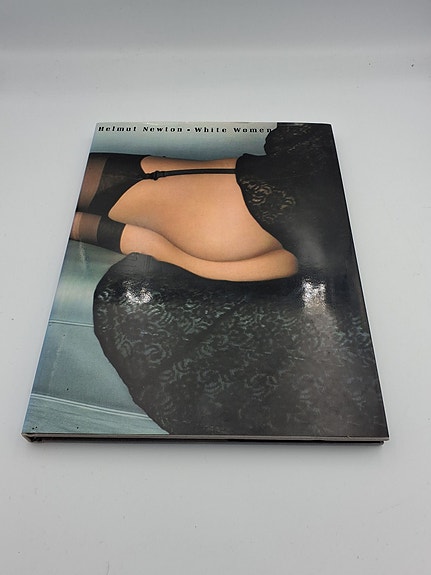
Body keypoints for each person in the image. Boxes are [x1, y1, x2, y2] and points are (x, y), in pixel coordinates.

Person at [70, 152, 299, 282]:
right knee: (73, 221)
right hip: (224, 239)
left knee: (64, 178)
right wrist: (173, 256)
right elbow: (288, 264)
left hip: (202, 194)